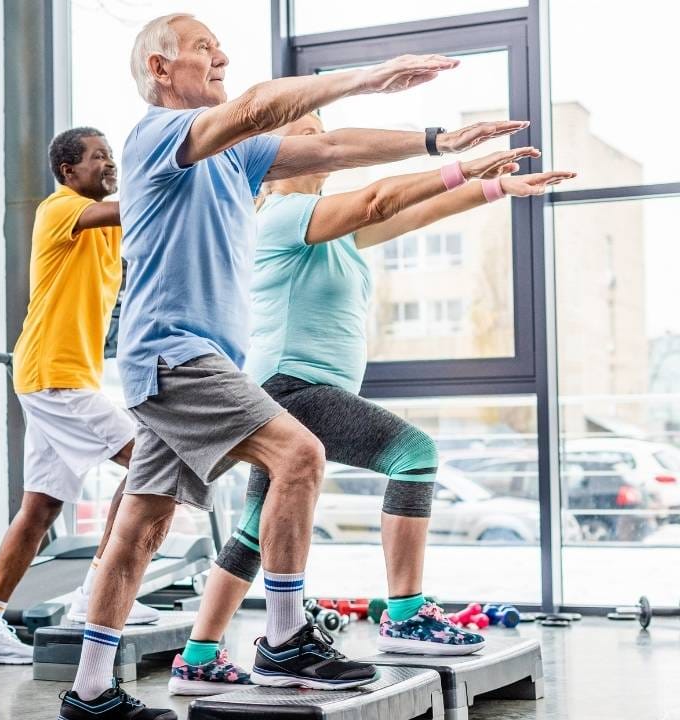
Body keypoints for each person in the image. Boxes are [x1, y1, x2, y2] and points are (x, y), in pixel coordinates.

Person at [57, 13, 529, 720]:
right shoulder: (156, 133)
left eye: (221, 47)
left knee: (143, 527)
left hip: (189, 360)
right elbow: (254, 107)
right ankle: (283, 640)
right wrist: (371, 76)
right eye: (202, 49)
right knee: (299, 455)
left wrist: (440, 143)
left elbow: (334, 146)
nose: (221, 57)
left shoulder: (236, 159)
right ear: (159, 69)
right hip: (176, 354)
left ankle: (90, 691)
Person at [167, 111, 574, 695]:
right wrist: (458, 162)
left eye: (320, 129)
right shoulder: (281, 215)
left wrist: (498, 187)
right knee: (413, 455)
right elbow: (380, 199)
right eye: (303, 133)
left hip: (297, 387)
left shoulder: (327, 228)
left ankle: (198, 657)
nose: (318, 139)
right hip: (291, 386)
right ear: (272, 157)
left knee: (258, 529)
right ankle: (405, 614)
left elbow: (415, 211)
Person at [0, 126, 161, 666]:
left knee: (40, 508)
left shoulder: (109, 228)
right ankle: (95, 594)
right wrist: (157, 174)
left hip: (61, 376)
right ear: (69, 171)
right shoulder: (59, 208)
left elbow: (150, 226)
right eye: (99, 158)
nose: (109, 164)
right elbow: (128, 205)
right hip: (54, 373)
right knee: (151, 466)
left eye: (112, 156)